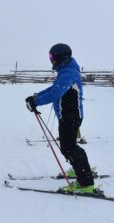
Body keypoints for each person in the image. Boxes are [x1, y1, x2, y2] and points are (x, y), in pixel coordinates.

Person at [25, 43, 95, 193]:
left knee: (68, 148)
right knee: (68, 146)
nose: (51, 60)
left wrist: (36, 101)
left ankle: (86, 182)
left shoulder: (68, 73)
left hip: (71, 117)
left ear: (61, 57)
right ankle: (79, 168)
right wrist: (36, 97)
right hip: (67, 116)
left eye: (52, 57)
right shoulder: (66, 71)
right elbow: (53, 89)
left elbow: (56, 92)